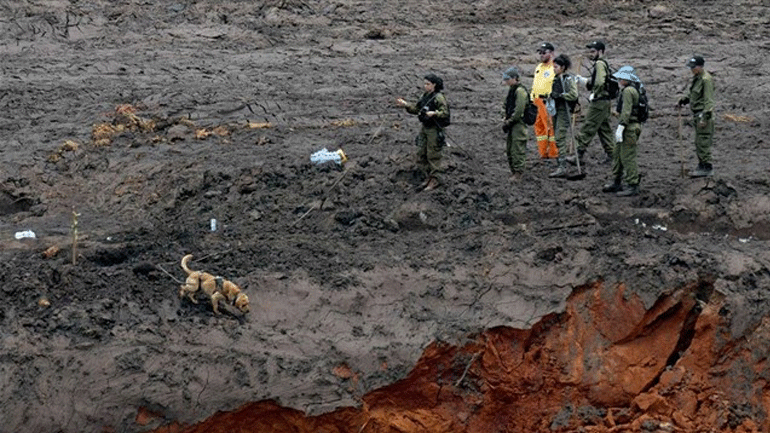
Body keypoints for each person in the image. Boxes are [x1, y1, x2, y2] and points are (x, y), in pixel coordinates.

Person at [396, 73, 450, 191]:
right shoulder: (425, 96)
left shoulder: (439, 97)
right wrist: (406, 105)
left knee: (433, 154)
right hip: (425, 128)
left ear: (434, 85)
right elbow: (417, 109)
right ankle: (428, 177)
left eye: (428, 84)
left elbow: (445, 113)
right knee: (422, 152)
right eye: (424, 84)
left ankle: (435, 179)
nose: (425, 86)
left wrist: (435, 113)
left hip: (434, 129)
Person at [568, 40, 615, 167]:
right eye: (590, 51)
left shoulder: (599, 64)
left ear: (600, 52)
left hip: (599, 102)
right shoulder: (603, 64)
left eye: (593, 51)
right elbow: (597, 80)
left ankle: (578, 155)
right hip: (605, 102)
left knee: (588, 127)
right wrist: (584, 81)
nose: (591, 54)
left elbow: (599, 82)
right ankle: (613, 155)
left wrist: (595, 92)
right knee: (604, 129)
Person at [602, 66, 642, 196]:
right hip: (628, 126)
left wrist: (621, 126)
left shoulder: (628, 91)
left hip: (629, 127)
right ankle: (616, 182)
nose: (619, 80)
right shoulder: (631, 89)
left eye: (621, 78)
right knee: (618, 154)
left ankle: (633, 184)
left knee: (627, 156)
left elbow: (627, 111)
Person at [677, 55, 715, 177]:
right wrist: (683, 100)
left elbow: (708, 101)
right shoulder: (697, 78)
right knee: (698, 142)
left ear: (700, 67)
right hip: (697, 114)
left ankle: (706, 167)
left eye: (693, 67)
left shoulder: (706, 79)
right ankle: (702, 165)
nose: (692, 70)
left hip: (703, 116)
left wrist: (704, 117)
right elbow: (693, 94)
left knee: (703, 142)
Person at [547, 54, 579, 178]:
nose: (553, 69)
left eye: (556, 67)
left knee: (560, 136)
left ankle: (562, 166)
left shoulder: (567, 79)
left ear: (563, 67)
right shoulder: (555, 79)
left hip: (564, 110)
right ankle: (560, 163)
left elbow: (574, 95)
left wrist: (561, 96)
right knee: (555, 135)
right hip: (556, 110)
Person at [531, 42, 558, 159]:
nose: (541, 55)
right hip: (536, 101)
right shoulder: (539, 67)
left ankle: (553, 152)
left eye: (544, 53)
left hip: (547, 101)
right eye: (540, 53)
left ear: (551, 53)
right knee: (539, 127)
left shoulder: (555, 67)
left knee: (550, 127)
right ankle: (542, 152)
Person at [501, 66, 529, 180]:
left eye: (508, 79)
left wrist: (509, 121)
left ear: (514, 78)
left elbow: (519, 111)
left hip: (518, 124)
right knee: (510, 149)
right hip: (512, 123)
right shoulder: (512, 90)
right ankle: (514, 171)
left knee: (517, 148)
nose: (506, 81)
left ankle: (518, 172)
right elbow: (505, 105)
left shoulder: (520, 91)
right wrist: (504, 116)